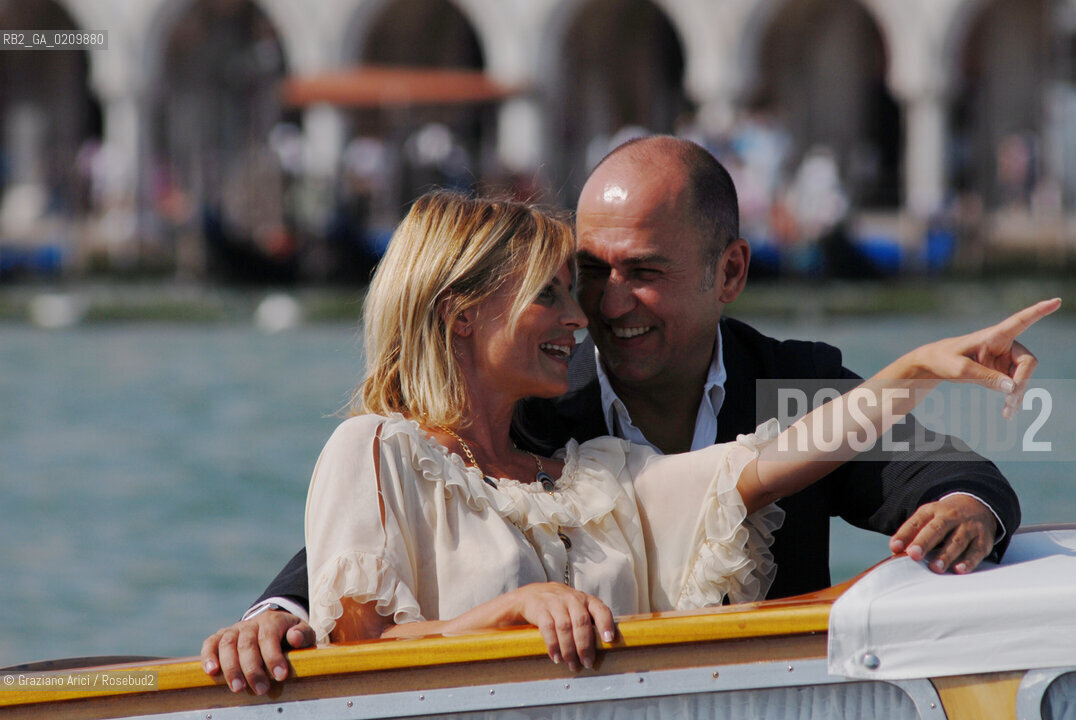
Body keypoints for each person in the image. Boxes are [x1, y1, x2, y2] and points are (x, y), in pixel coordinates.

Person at [202, 137, 1029, 694]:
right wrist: (279, 614)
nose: (596, 309)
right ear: (463, 317)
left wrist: (946, 450)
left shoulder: (772, 390)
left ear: (730, 271)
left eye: (643, 273)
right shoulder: (530, 405)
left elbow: (896, 463)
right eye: (580, 277)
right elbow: (366, 533)